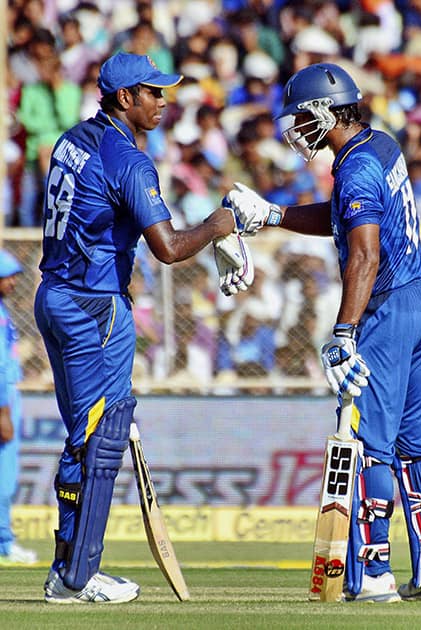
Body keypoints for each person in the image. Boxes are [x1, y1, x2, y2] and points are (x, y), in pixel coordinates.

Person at [226, 62, 421, 603]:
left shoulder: (355, 170)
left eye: (301, 117)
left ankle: (376, 573)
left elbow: (363, 251)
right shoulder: (378, 146)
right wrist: (272, 215)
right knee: (420, 447)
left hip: (385, 309)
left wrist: (343, 331)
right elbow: (343, 219)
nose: (296, 130)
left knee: (369, 446)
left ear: (323, 112)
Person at [34, 51, 246, 604]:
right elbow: (170, 248)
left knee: (85, 435)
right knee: (100, 439)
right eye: (153, 92)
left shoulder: (71, 141)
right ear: (124, 98)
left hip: (54, 296)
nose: (163, 101)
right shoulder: (128, 159)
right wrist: (220, 224)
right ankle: (78, 576)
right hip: (93, 307)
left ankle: (67, 566)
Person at [0, 250, 38, 566]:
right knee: (5, 476)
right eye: (7, 276)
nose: (13, 282)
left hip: (7, 393)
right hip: (3, 398)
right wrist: (3, 412)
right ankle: (4, 542)